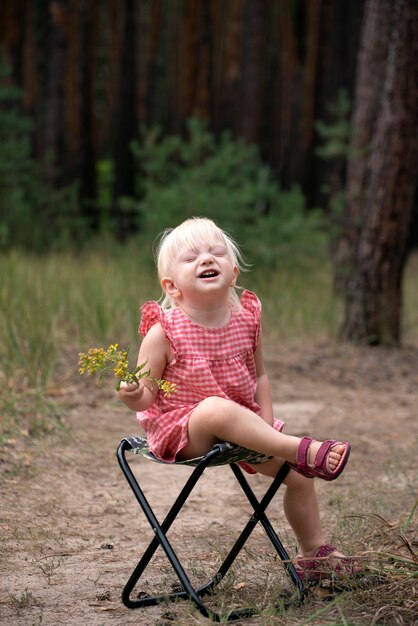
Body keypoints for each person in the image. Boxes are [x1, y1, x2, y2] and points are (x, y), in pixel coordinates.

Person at [118, 216, 357, 581]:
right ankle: (301, 448)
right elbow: (146, 396)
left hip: (242, 427)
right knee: (215, 408)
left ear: (233, 271)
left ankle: (312, 553)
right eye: (191, 256)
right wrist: (131, 393)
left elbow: (260, 376)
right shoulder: (163, 331)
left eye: (216, 252)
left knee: (299, 478)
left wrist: (266, 427)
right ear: (172, 285)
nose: (206, 259)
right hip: (185, 432)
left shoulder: (246, 320)